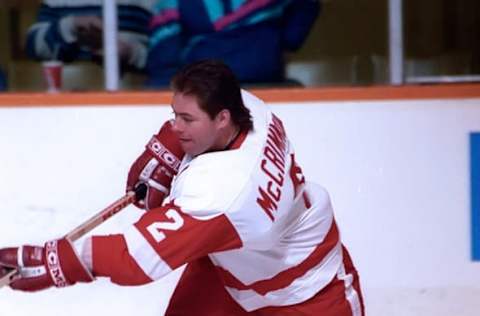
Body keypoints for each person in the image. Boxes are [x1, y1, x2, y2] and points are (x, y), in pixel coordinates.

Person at [0, 60, 364, 315]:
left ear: (222, 119)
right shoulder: (249, 107)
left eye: (186, 120)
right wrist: (170, 149)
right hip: (232, 271)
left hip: (307, 294)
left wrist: (58, 259)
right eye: (174, 114)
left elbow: (134, 259)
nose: (176, 126)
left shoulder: (226, 192)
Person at [146, 0, 321, 87]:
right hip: (205, 96)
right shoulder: (174, 3)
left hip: (267, 88)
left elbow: (296, 29)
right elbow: (163, 65)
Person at [25, 0, 155, 72]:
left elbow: (167, 58)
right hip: (66, 98)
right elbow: (33, 47)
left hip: (134, 95)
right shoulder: (56, 2)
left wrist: (131, 53)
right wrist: (71, 27)